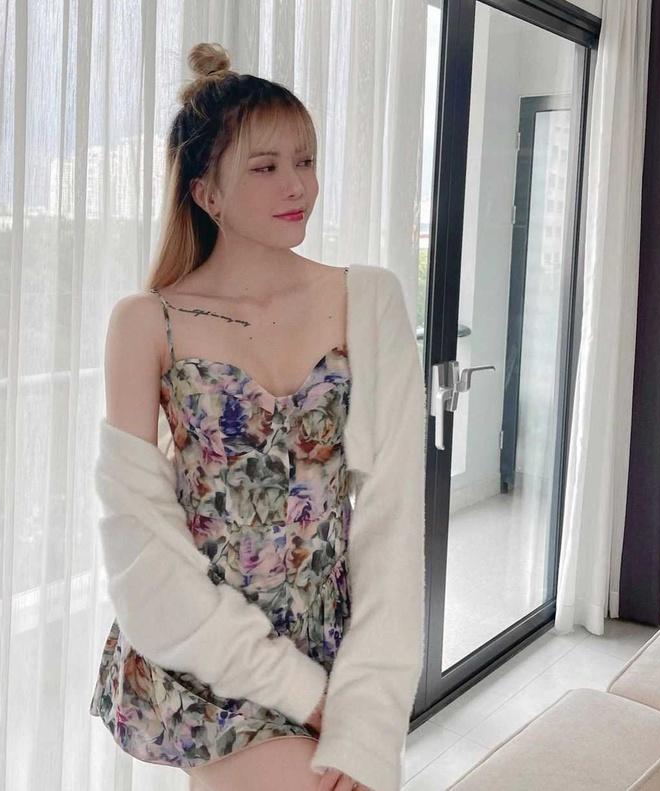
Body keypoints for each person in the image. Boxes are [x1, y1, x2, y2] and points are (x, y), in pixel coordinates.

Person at [90, 40, 425, 791]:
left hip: (335, 647)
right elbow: (139, 547)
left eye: (305, 160)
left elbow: (392, 522)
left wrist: (364, 709)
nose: (297, 184)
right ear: (206, 193)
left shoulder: (368, 299)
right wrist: (304, 694)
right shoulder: (146, 321)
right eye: (265, 167)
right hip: (204, 651)